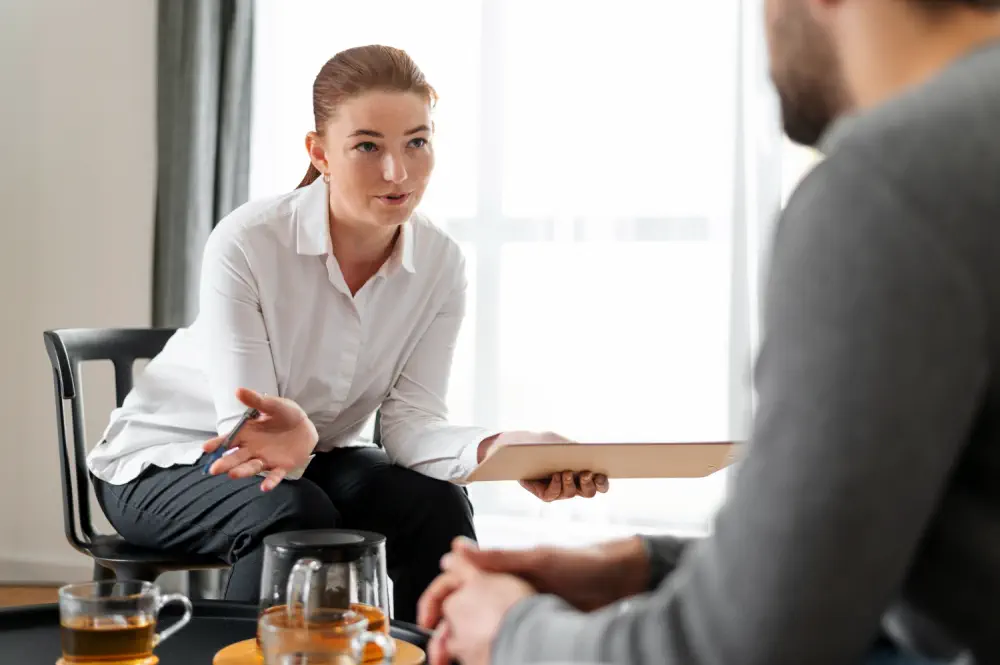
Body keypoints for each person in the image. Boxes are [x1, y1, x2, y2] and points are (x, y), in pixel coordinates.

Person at [417, 0, 1000, 663]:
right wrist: (643, 564)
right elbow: (869, 544)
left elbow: (737, 651)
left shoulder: (887, 187)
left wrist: (512, 633)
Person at [87, 45, 608, 622]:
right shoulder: (249, 241)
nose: (397, 173)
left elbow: (411, 425)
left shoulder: (440, 262)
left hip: (313, 461)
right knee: (291, 511)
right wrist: (282, 431)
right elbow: (246, 432)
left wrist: (501, 449)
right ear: (320, 153)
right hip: (163, 463)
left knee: (433, 502)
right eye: (367, 146)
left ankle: (429, 655)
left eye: (417, 142)